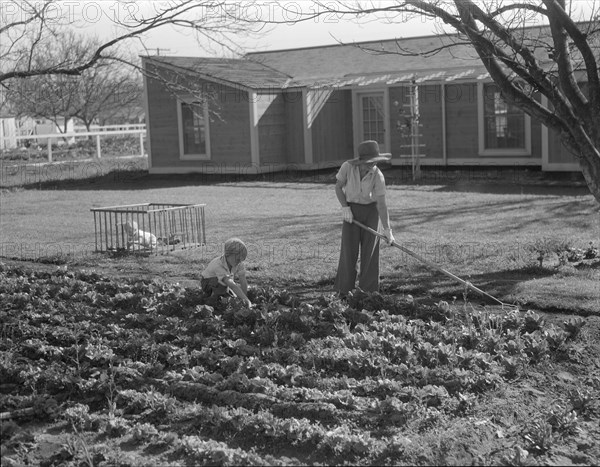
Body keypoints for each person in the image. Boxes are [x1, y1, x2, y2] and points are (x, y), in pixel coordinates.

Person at [334, 140, 395, 296]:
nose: (372, 165)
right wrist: (345, 207)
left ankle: (368, 294)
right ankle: (343, 292)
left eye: (374, 162)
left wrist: (388, 230)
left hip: (371, 212)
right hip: (351, 212)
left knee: (370, 253)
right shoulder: (347, 167)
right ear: (360, 161)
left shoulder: (378, 176)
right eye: (368, 162)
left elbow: (381, 204)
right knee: (348, 252)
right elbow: (338, 187)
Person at [201, 238, 252, 307]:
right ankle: (211, 299)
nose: (239, 261)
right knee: (222, 287)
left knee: (231, 295)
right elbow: (231, 284)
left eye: (241, 259)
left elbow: (243, 280)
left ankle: (222, 296)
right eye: (237, 259)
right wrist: (246, 300)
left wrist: (245, 298)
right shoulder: (218, 265)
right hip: (207, 282)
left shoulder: (238, 263)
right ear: (228, 254)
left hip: (223, 283)